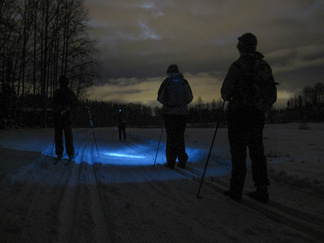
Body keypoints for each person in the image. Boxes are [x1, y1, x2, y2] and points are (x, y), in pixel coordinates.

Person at [221, 33, 275, 203]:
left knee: (238, 153)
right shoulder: (263, 65)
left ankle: (236, 189)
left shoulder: (237, 66)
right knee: (257, 151)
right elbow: (271, 94)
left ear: (243, 46)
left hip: (238, 115)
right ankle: (262, 188)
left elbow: (225, 93)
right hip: (257, 115)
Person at [157, 64, 193, 169]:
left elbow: (160, 97)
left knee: (171, 138)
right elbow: (189, 97)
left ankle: (171, 162)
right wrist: (181, 104)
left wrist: (168, 104)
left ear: (169, 72)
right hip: (182, 114)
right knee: (180, 137)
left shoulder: (166, 82)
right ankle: (182, 161)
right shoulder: (184, 82)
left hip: (169, 114)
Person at [53, 76, 78, 161]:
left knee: (59, 136)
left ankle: (60, 153)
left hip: (59, 118)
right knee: (68, 136)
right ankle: (69, 153)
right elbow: (75, 104)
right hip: (66, 118)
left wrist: (59, 110)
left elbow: (53, 104)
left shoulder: (57, 92)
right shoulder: (70, 93)